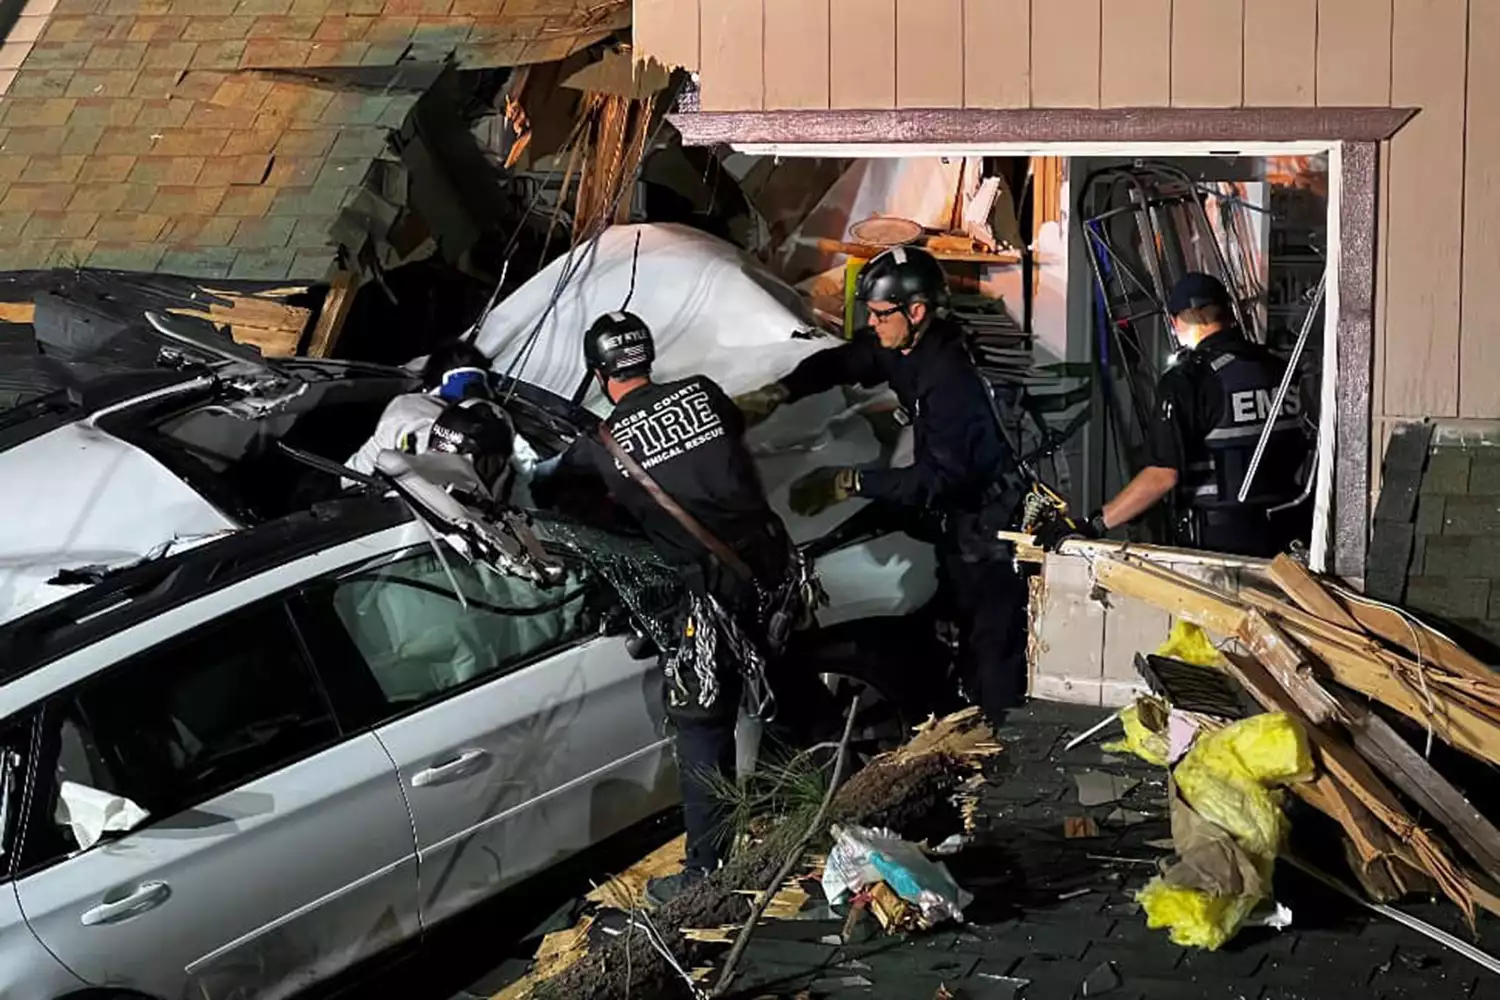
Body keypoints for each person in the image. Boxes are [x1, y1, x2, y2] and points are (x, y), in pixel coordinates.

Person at [542, 311, 816, 905]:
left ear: (597, 374)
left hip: (713, 596)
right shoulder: (703, 393)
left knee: (701, 722)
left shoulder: (602, 448)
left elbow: (552, 489)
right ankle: (813, 798)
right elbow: (725, 447)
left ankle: (705, 873)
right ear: (648, 356)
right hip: (771, 569)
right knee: (785, 678)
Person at [734, 245, 1029, 726]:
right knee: (948, 615)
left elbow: (936, 479)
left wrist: (851, 481)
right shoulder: (907, 345)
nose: (873, 323)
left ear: (916, 311)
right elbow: (850, 361)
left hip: (988, 526)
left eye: (880, 315)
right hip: (954, 513)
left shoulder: (951, 380)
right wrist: (781, 392)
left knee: (991, 642)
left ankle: (1001, 751)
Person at [1034, 272, 1311, 557]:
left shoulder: (1189, 379)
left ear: (1176, 321)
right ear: (1230, 313)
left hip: (1222, 546)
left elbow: (1163, 475)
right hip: (1291, 537)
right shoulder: (1285, 370)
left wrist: (1093, 524)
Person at [344, 338, 540, 503]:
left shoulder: (406, 407)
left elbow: (354, 476)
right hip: (474, 531)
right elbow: (522, 497)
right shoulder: (501, 424)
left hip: (398, 517)